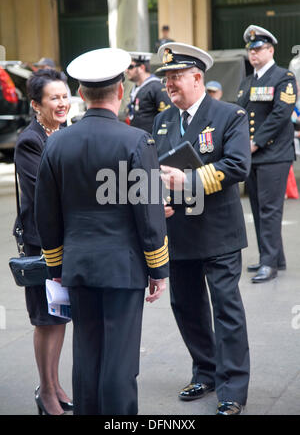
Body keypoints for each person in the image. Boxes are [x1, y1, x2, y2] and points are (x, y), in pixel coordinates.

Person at [34, 48, 169, 415]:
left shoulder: (57, 143)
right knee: (120, 363)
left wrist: (56, 266)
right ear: (121, 91)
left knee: (87, 354)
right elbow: (149, 213)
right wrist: (158, 269)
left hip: (77, 266)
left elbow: (45, 215)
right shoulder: (136, 142)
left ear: (80, 94)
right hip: (123, 269)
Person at [152, 42, 251, 415]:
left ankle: (232, 388)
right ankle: (205, 371)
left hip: (218, 232)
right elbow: (153, 171)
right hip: (178, 232)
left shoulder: (230, 115)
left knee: (226, 309)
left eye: (176, 77)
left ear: (198, 78)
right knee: (187, 307)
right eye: (166, 79)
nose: (169, 84)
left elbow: (238, 166)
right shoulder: (161, 121)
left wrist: (188, 181)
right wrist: (154, 199)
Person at [13, 68, 72, 415]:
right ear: (37, 105)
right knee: (44, 319)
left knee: (60, 315)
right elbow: (46, 196)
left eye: (65, 96)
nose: (62, 103)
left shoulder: (68, 131)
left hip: (68, 239)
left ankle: (56, 384)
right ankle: (46, 392)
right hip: (41, 242)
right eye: (54, 98)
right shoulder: (30, 141)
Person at [237, 25, 297, 283]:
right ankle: (274, 257)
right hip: (252, 154)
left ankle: (268, 263)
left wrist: (255, 142)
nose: (253, 53)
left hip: (274, 153)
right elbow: (239, 114)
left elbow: (281, 114)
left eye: (259, 49)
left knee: (270, 210)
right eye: (251, 49)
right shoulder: (248, 81)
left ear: (270, 50)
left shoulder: (283, 77)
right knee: (258, 207)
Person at [126, 51, 171, 133]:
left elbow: (167, 117)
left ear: (142, 68)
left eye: (130, 67)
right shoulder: (135, 89)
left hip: (151, 141)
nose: (126, 70)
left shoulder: (156, 87)